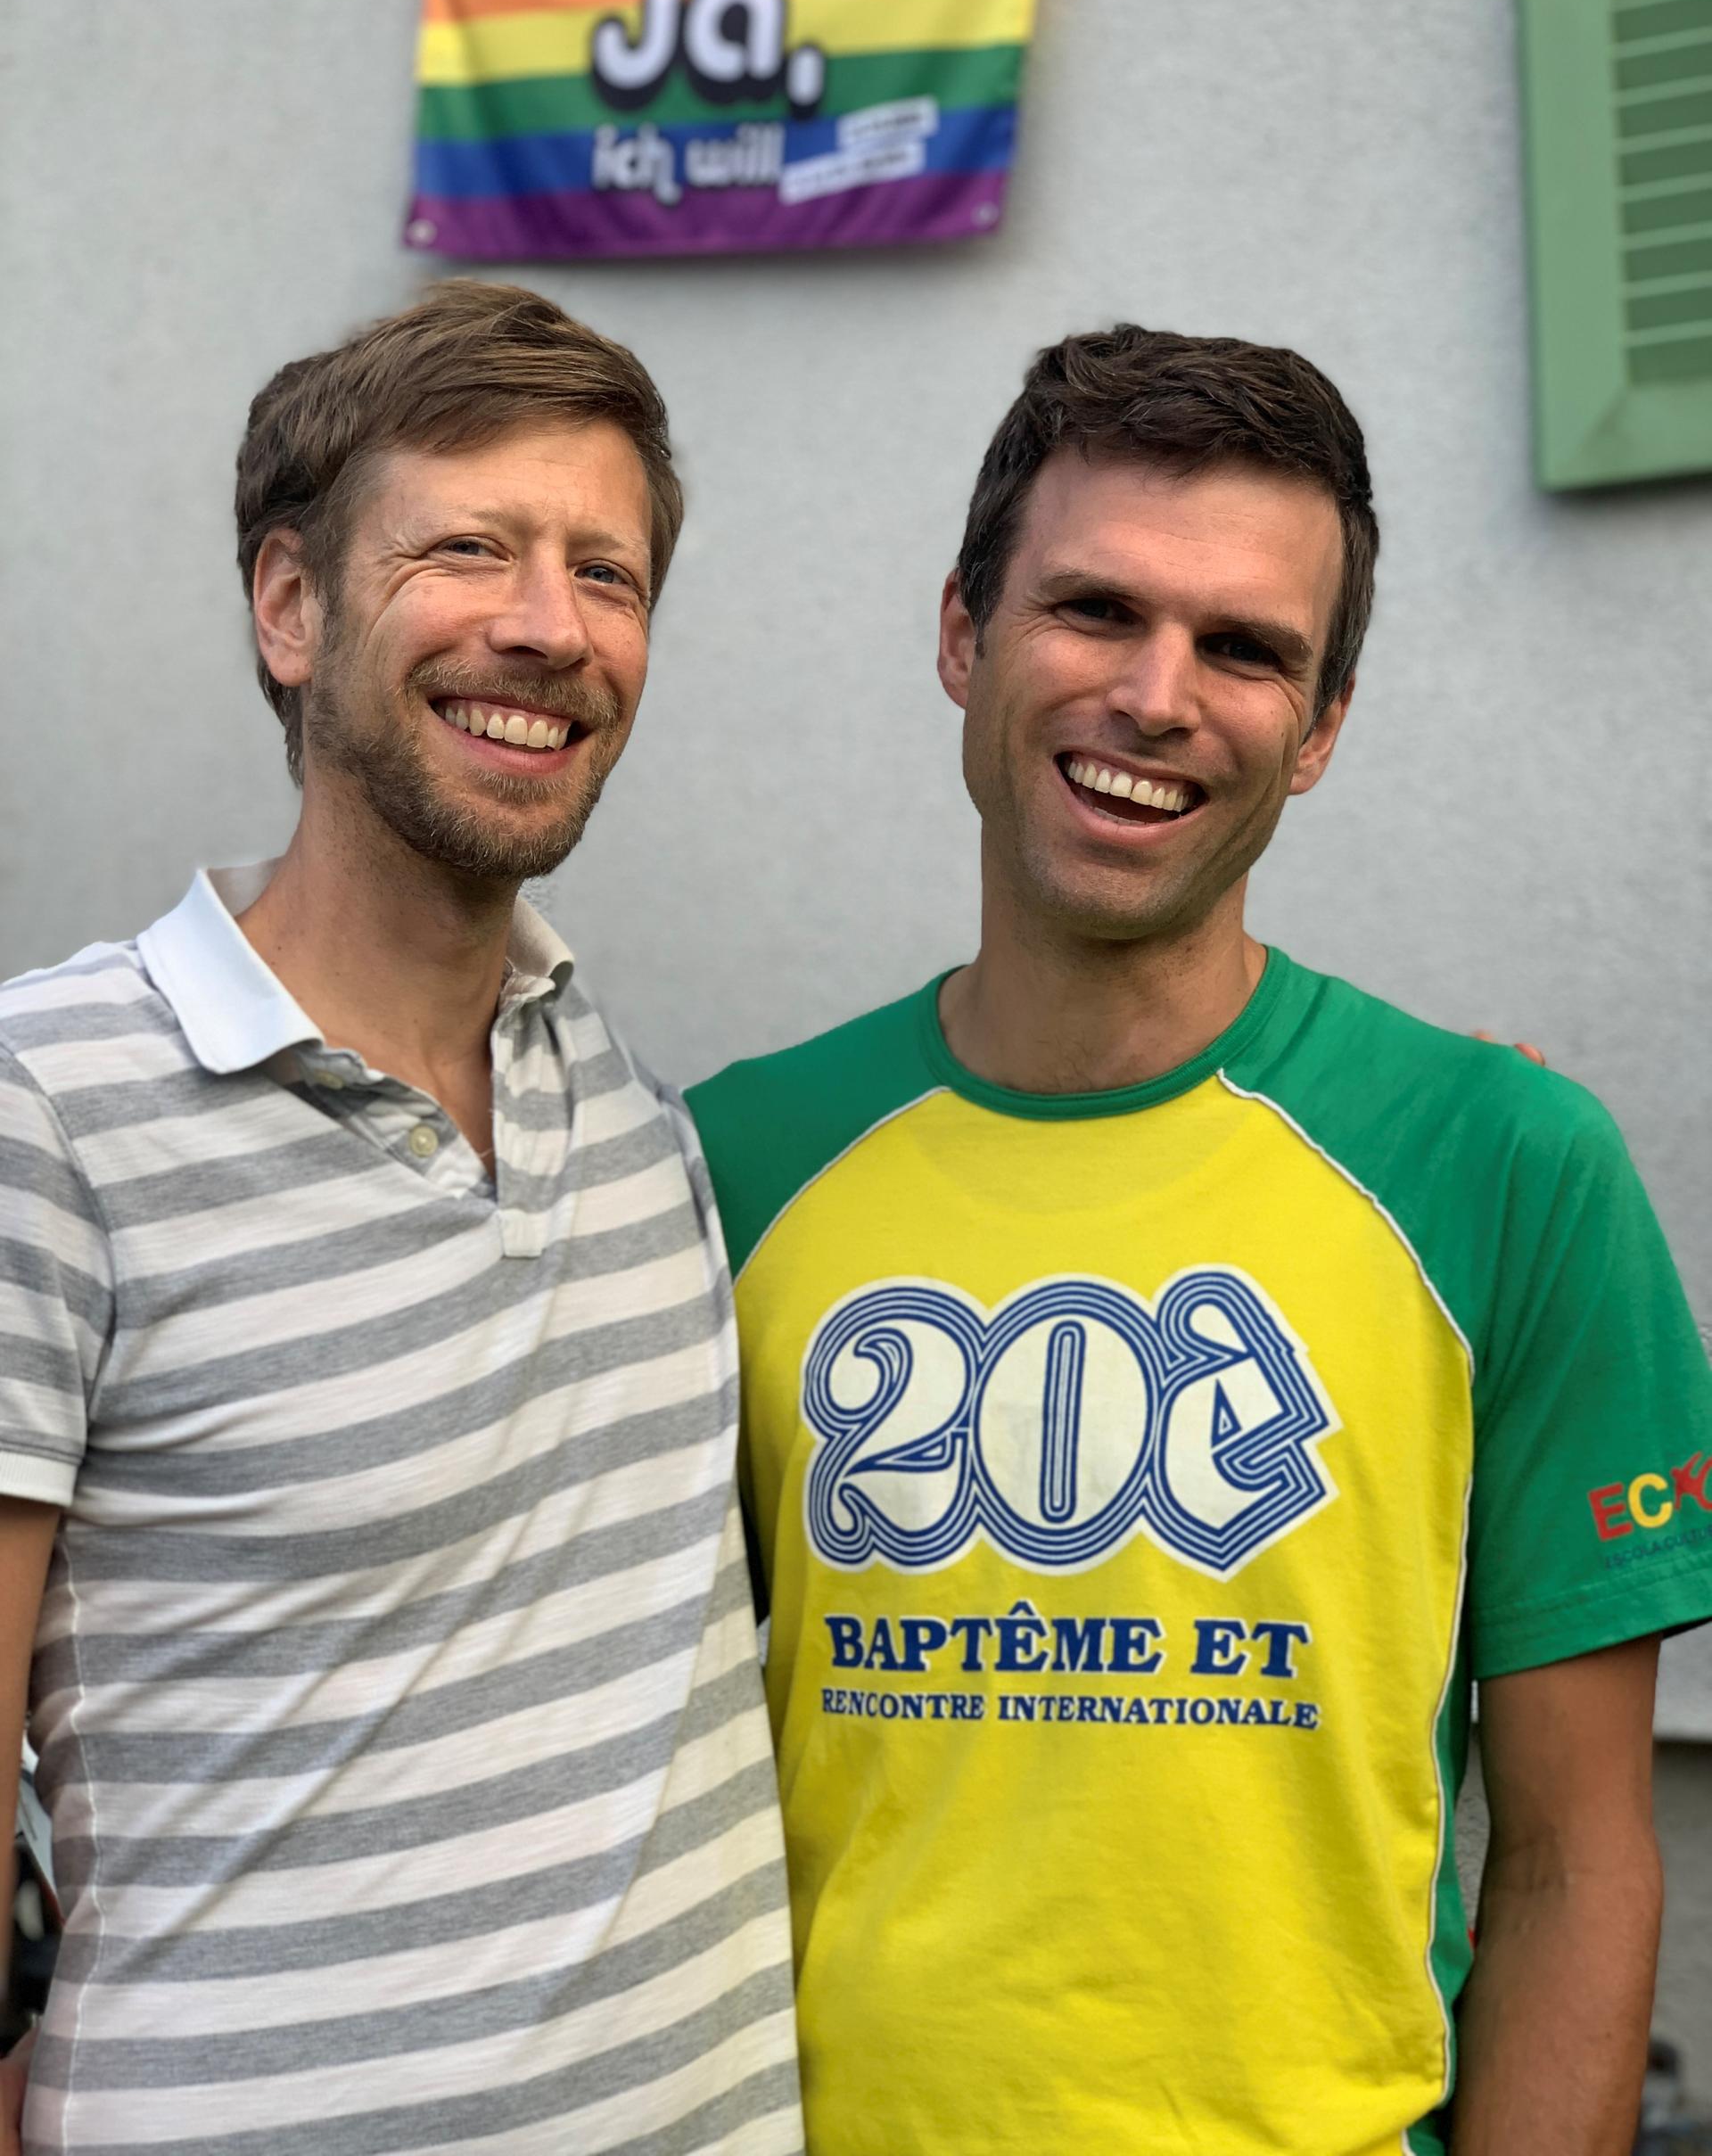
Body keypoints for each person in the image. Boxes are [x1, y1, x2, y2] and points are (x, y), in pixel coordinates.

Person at [687, 326, 1712, 2156]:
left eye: (1246, 648)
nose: (1158, 695)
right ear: (962, 636)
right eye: (1094, 609)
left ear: (1318, 729)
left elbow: (1577, 1859)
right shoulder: (732, 1164)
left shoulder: (1508, 1163)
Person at [0, 284, 802, 2155]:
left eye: (607, 571)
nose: (549, 624)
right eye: (469, 549)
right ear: (291, 607)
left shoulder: (633, 1111)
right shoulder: (47, 1102)